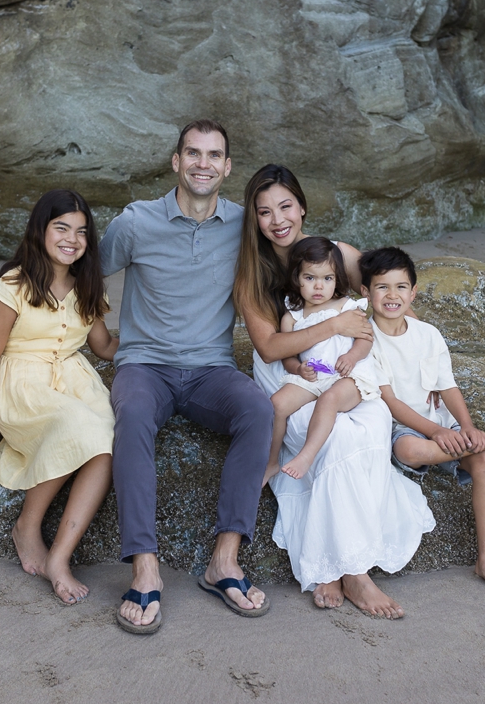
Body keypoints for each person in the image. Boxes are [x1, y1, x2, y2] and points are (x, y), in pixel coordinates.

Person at [234, 164, 435, 619]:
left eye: (286, 206)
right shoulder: (251, 272)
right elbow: (269, 348)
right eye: (264, 212)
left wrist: (422, 364)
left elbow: (387, 301)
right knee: (335, 439)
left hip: (347, 369)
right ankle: (353, 572)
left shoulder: (336, 254)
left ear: (302, 207)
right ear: (254, 219)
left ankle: (339, 563)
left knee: (370, 426)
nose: (278, 219)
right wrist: (332, 327)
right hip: (296, 374)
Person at [101, 119, 273, 634]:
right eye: (192, 154)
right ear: (176, 162)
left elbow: (308, 248)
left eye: (214, 155)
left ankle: (224, 560)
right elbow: (83, 274)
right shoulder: (135, 222)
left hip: (210, 372)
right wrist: (103, 342)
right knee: (130, 413)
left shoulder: (244, 225)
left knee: (257, 409)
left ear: (226, 167)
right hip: (144, 366)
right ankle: (145, 566)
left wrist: (385, 298)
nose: (203, 163)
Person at [360, 247, 485, 598]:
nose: (391, 295)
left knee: (483, 460)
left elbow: (447, 386)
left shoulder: (427, 334)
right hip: (402, 427)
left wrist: (467, 426)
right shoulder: (366, 340)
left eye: (401, 287)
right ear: (365, 293)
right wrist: (436, 431)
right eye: (381, 287)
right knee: (412, 448)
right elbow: (391, 401)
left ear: (413, 293)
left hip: (438, 420)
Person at [0, 189, 118, 604]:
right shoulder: (11, 286)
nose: (72, 239)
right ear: (40, 230)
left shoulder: (87, 286)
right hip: (24, 385)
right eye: (61, 228)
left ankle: (59, 557)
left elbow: (103, 346)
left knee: (106, 441)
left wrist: (159, 344)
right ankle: (28, 528)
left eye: (81, 232)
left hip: (74, 379)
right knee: (77, 426)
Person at [265, 237, 384, 483]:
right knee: (276, 404)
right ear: (297, 278)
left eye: (327, 279)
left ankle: (306, 456)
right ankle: (271, 461)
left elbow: (366, 338)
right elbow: (287, 355)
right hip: (315, 374)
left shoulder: (347, 306)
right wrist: (297, 368)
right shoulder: (293, 317)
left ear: (337, 278)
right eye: (310, 278)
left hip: (348, 375)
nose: (318, 287)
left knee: (329, 399)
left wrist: (352, 357)